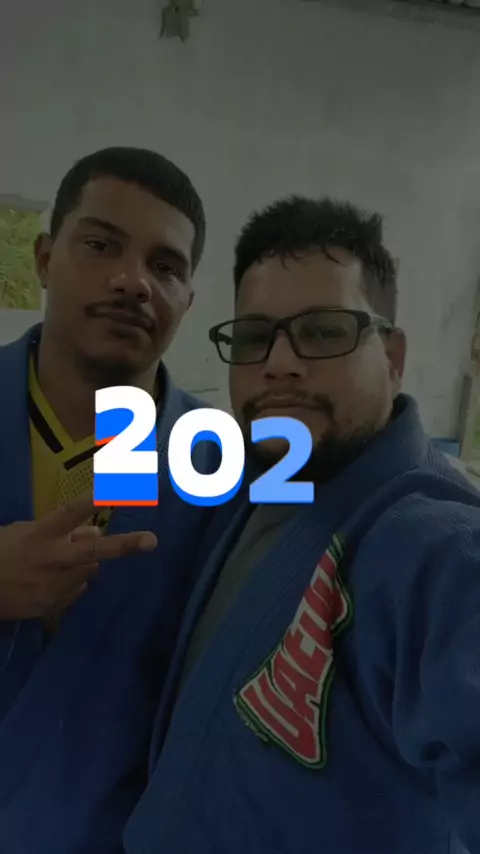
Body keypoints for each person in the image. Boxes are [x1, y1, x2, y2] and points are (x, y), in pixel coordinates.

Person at [125, 196, 480, 854]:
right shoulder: (255, 485)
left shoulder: (435, 548)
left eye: (322, 331)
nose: (280, 362)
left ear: (393, 356)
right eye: (254, 336)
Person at [0, 146, 220, 853]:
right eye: (100, 245)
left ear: (188, 300)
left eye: (166, 266)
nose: (133, 282)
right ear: (44, 258)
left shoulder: (222, 467)